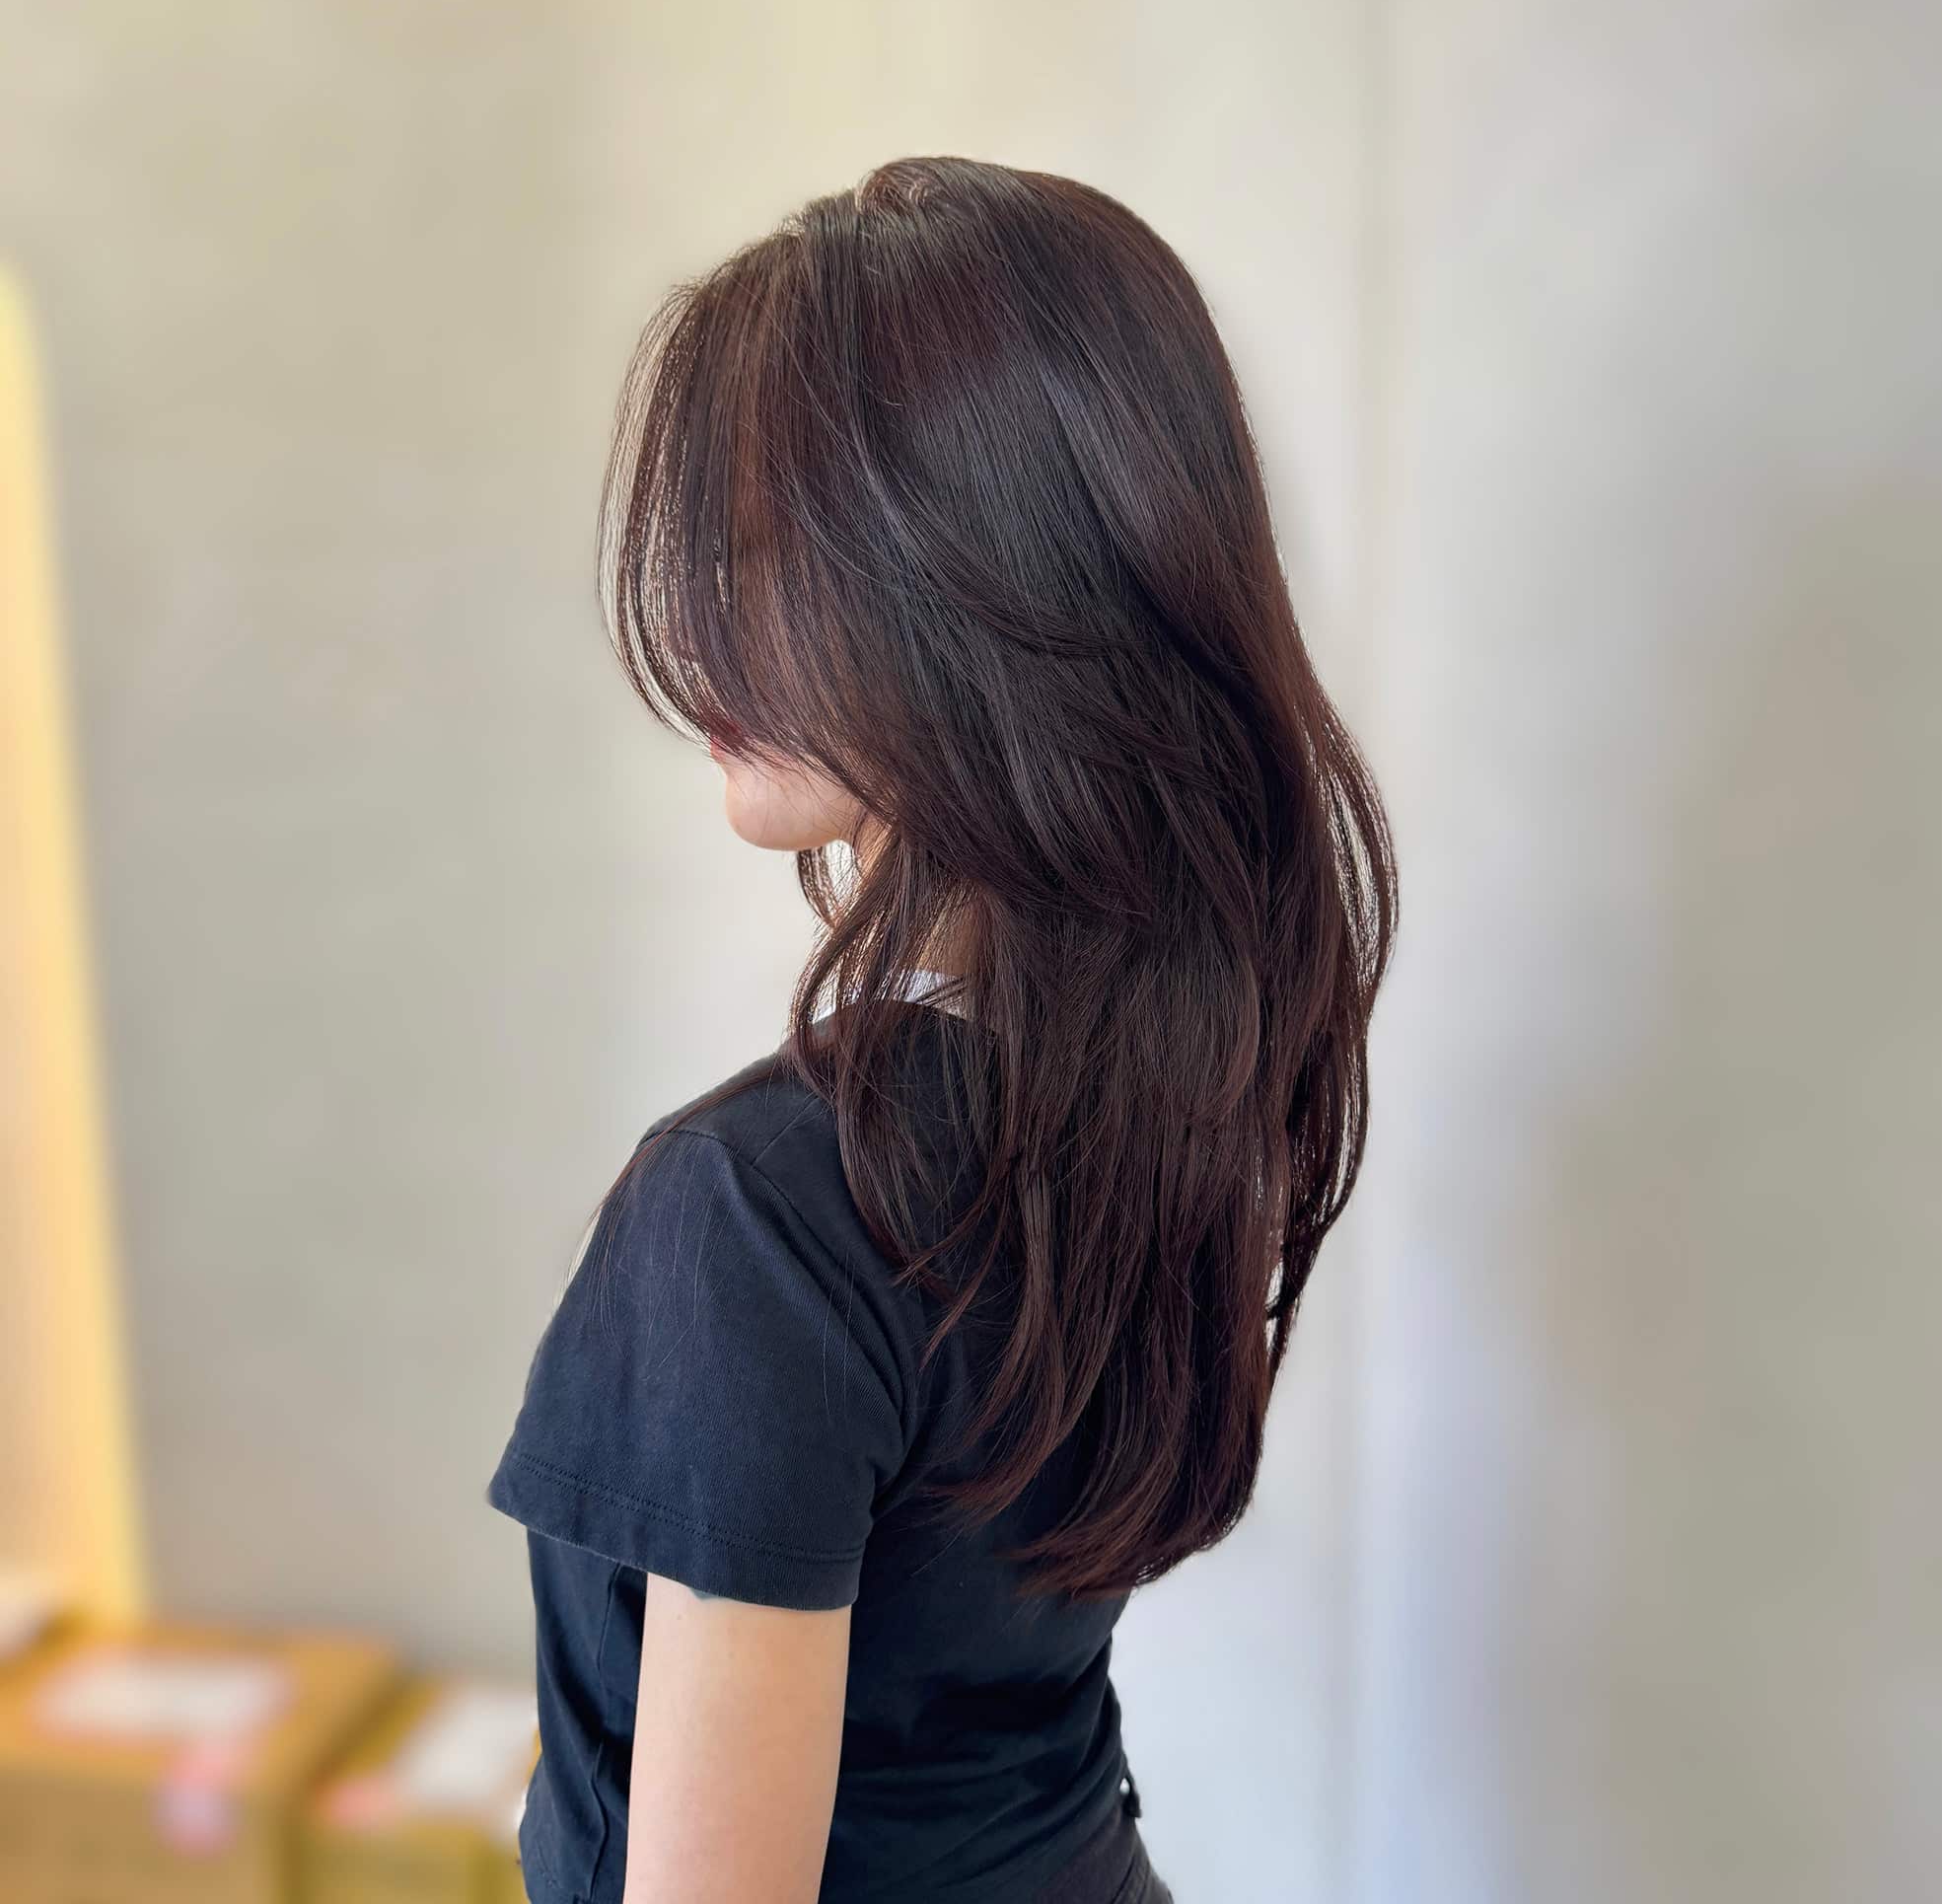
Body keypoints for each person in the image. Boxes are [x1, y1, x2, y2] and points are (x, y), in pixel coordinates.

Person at [487, 154, 1396, 1904]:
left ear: (987, 582)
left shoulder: (761, 1210)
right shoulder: (1187, 1085)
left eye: (774, 553)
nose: (698, 617)